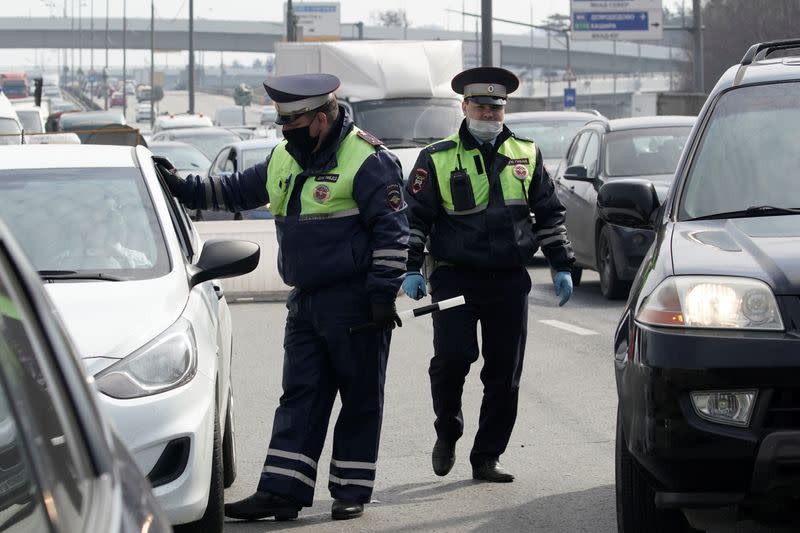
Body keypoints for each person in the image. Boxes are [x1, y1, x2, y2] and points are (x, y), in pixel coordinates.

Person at [162, 73, 409, 521]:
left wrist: (381, 295)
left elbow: (393, 234)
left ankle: (351, 489)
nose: (283, 129)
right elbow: (233, 190)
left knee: (359, 398)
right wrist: (180, 183)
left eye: (290, 121)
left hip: (355, 302)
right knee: (300, 396)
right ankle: (282, 491)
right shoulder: (284, 157)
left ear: (319, 118)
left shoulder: (370, 160)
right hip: (306, 301)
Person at [401, 66, 574, 483]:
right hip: (454, 277)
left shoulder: (526, 153)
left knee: (504, 373)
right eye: (480, 106)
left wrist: (562, 263)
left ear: (504, 110)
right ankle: (448, 430)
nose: (488, 114)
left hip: (509, 280)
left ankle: (487, 456)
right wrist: (410, 267)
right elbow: (414, 219)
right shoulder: (437, 157)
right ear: (464, 107)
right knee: (452, 359)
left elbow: (549, 214)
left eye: (496, 108)